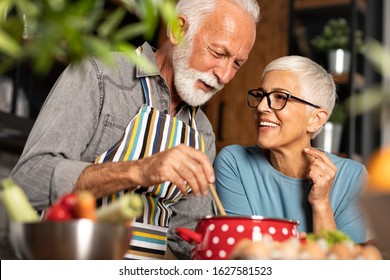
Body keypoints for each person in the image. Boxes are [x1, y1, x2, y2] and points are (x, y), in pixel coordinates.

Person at [10, 0, 260, 259]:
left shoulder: (202, 131)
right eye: (218, 53)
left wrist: (239, 255)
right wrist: (138, 171)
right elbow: (27, 182)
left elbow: (186, 238)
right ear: (178, 30)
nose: (226, 75)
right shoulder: (97, 76)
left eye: (237, 64)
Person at [214, 55, 368, 244]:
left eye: (280, 97)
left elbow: (343, 269)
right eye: (261, 95)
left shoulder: (353, 177)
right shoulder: (234, 162)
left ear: (315, 119)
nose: (262, 107)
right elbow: (241, 256)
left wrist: (321, 204)